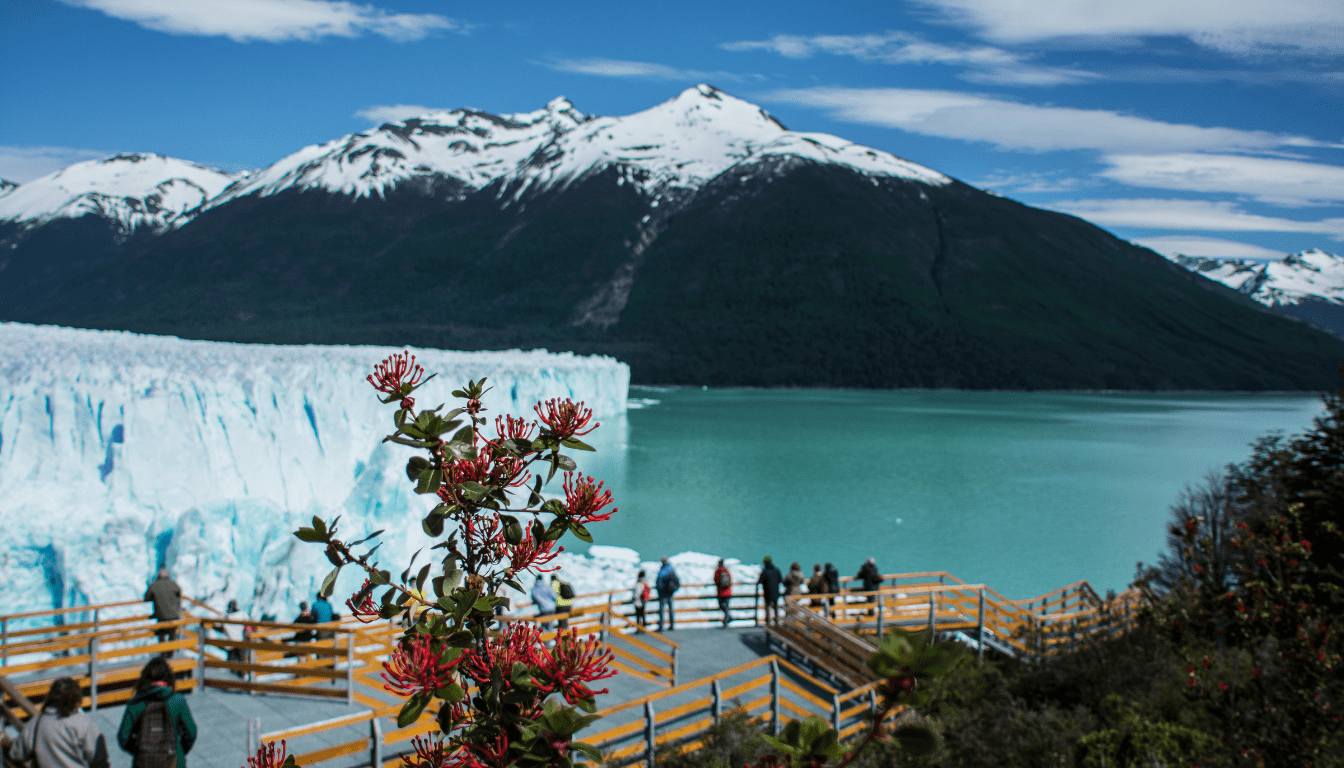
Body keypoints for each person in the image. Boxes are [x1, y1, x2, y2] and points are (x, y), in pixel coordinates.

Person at [3, 677, 109, 768]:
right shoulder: (84, 723)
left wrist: (4, 743)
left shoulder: (38, 721)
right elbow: (99, 759)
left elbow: (17, 753)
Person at [117, 658, 197, 768]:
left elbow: (123, 738)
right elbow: (191, 732)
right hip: (174, 762)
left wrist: (141, 751)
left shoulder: (135, 704)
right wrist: (179, 751)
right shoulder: (177, 701)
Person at [144, 568, 181, 656]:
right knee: (172, 633)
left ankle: (163, 653)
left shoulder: (154, 585)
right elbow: (179, 592)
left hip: (161, 616)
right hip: (174, 615)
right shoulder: (173, 584)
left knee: (162, 633)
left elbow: (146, 598)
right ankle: (171, 653)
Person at [222, 599, 248, 676]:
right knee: (242, 661)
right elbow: (248, 625)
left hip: (229, 642)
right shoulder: (242, 614)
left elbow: (218, 625)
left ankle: (231, 679)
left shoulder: (225, 615)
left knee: (231, 661)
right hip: (240, 640)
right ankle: (242, 679)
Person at [655, 557, 680, 632]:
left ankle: (661, 626)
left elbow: (659, 583)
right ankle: (672, 624)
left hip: (663, 594)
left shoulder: (662, 571)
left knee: (662, 610)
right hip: (670, 593)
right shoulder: (671, 569)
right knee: (671, 609)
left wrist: (659, 591)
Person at [757, 556, 783, 626]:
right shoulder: (776, 570)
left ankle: (768, 623)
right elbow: (780, 580)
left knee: (768, 608)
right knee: (776, 608)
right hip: (776, 592)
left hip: (767, 593)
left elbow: (760, 581)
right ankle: (777, 622)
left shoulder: (764, 571)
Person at [713, 559, 733, 628]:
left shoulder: (718, 571)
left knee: (721, 606)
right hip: (728, 591)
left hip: (721, 592)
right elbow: (730, 579)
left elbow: (715, 580)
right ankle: (728, 618)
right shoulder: (726, 570)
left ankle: (726, 620)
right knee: (726, 606)